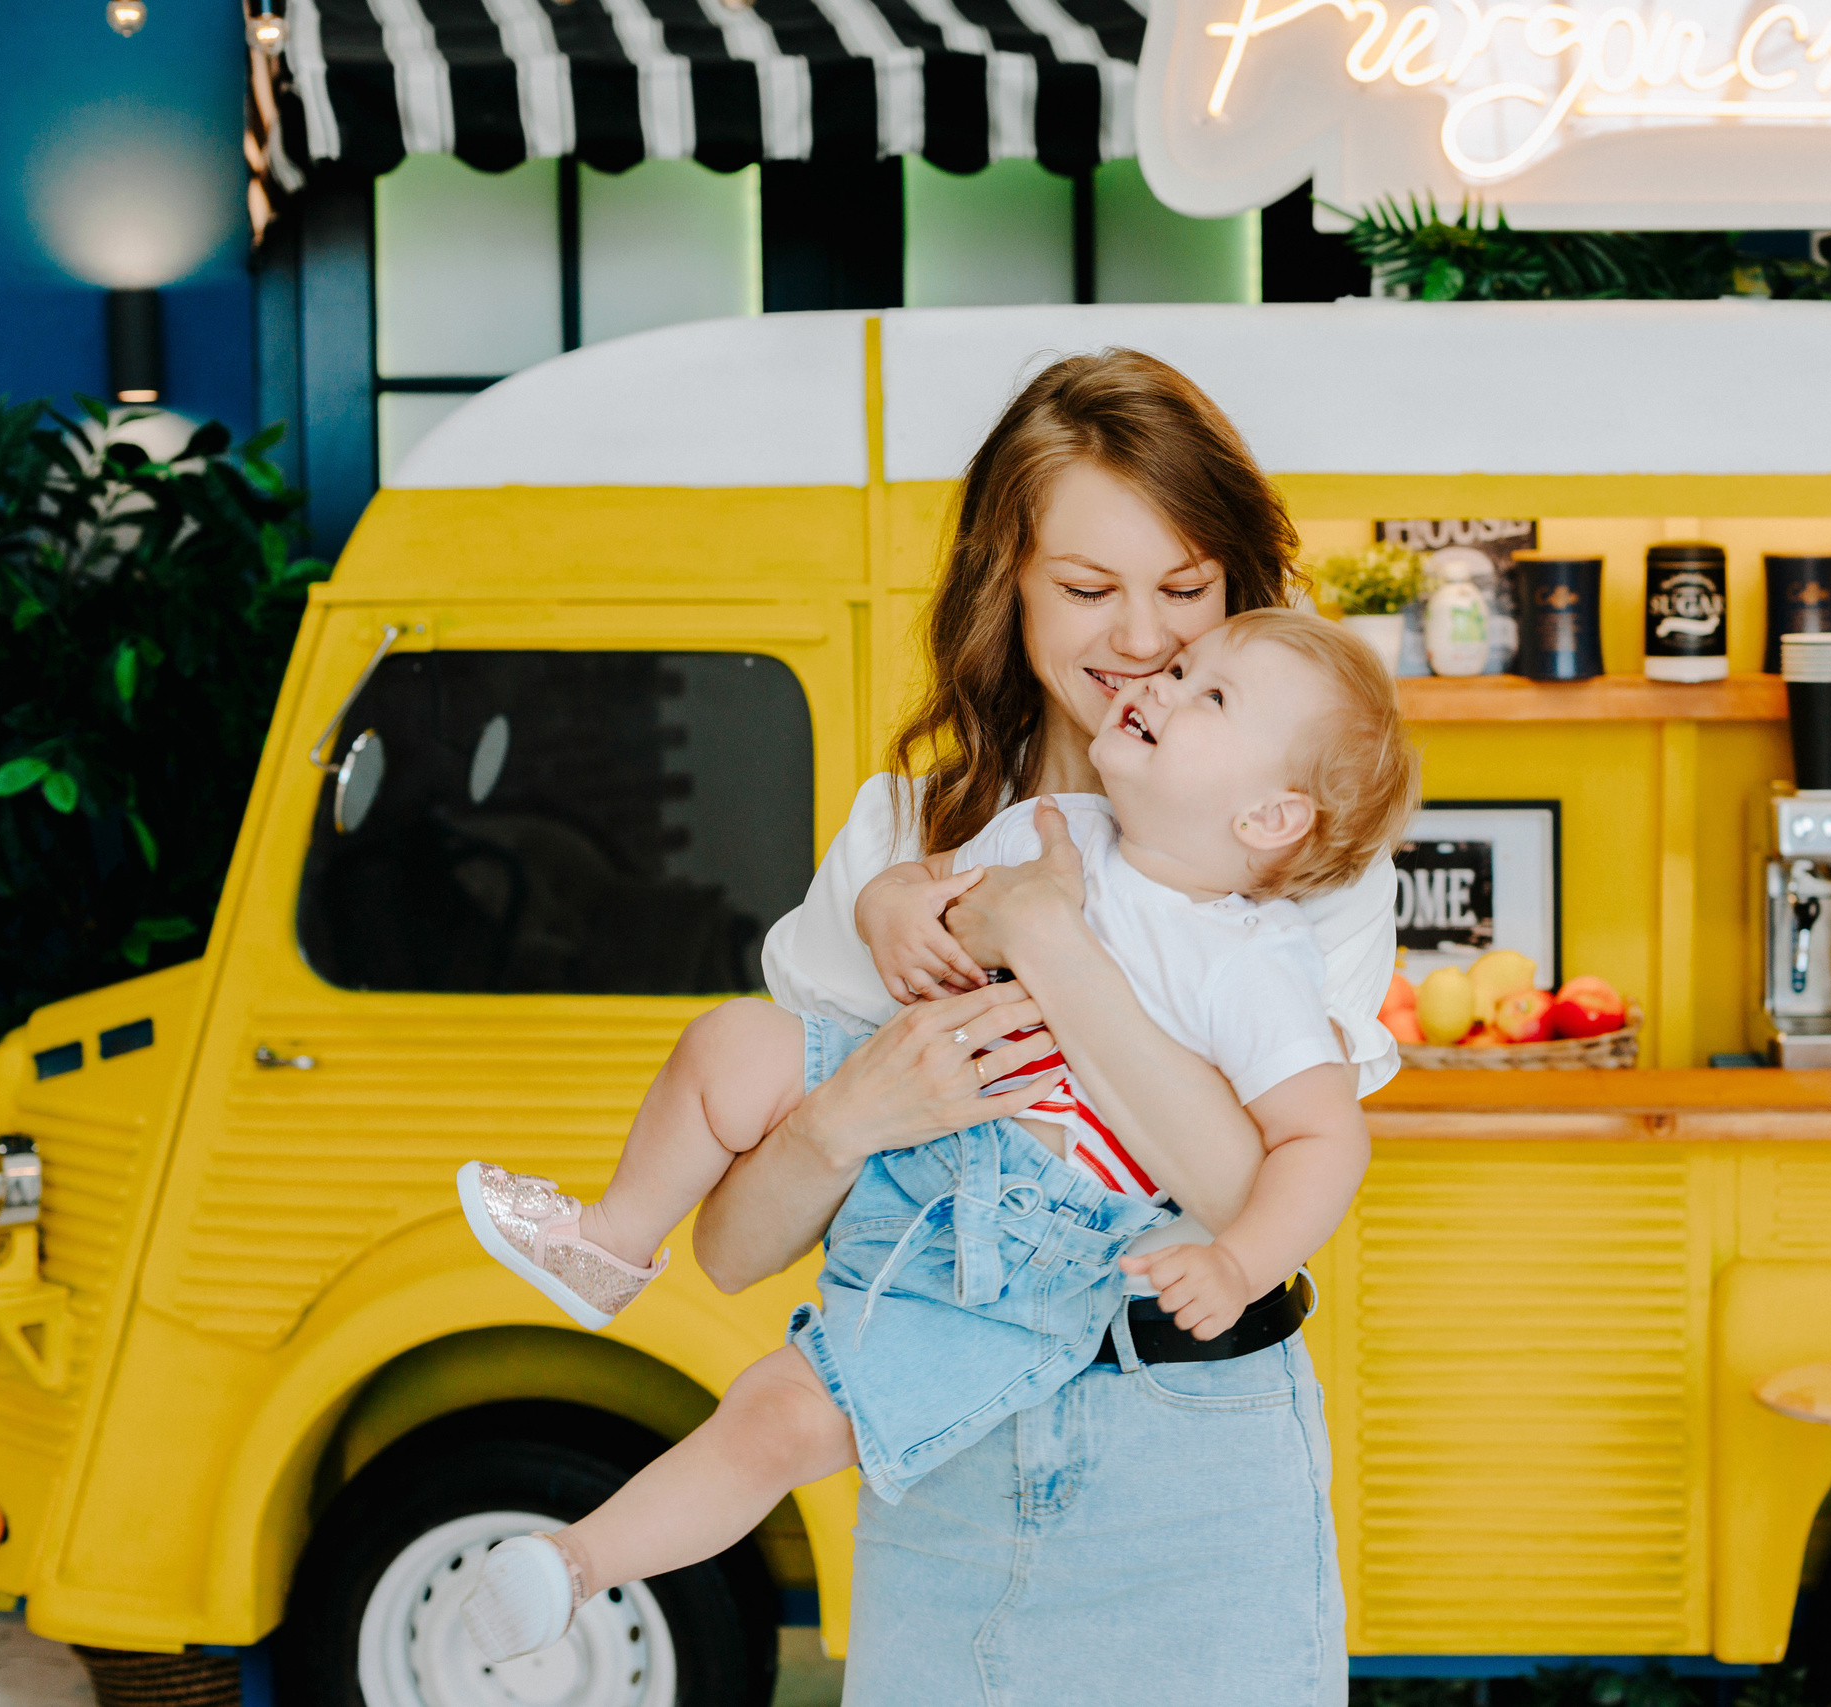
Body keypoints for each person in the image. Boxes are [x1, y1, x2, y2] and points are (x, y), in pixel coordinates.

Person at [513, 348, 1397, 1706]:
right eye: (1088, 589)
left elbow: (1250, 1196)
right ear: (1009, 586)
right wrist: (855, 1110)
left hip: (1194, 1453)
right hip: (936, 1452)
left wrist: (1040, 936)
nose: (1143, 640)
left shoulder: (1293, 859)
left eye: (1187, 589)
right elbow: (739, 1251)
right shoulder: (905, 840)